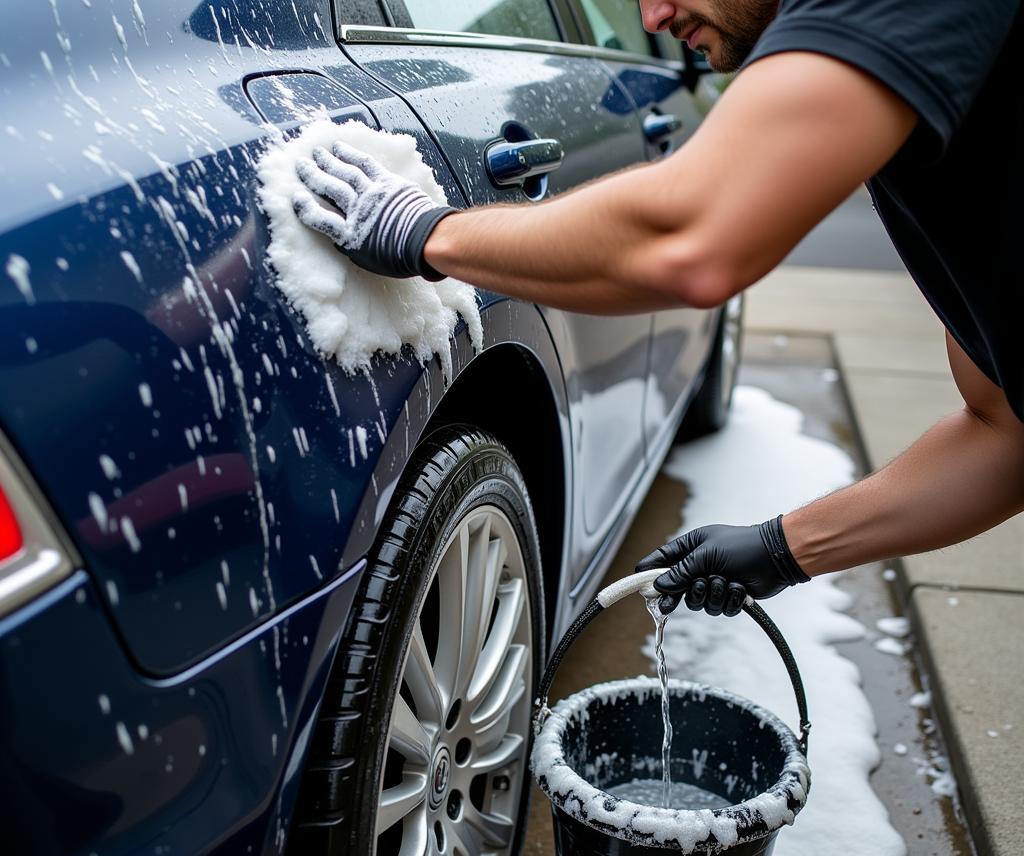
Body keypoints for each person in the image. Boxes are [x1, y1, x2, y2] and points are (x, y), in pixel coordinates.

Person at [291, 0, 1024, 617]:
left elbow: (695, 238)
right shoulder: (911, 83)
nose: (651, 15)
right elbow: (1003, 433)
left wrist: (429, 232)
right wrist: (782, 546)